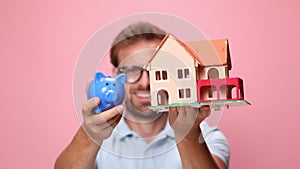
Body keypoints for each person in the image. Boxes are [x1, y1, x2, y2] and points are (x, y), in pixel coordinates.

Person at [55, 22, 229, 169]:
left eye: (155, 71)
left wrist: (187, 133)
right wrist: (88, 136)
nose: (145, 83)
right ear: (117, 75)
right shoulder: (100, 136)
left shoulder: (206, 136)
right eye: (132, 70)